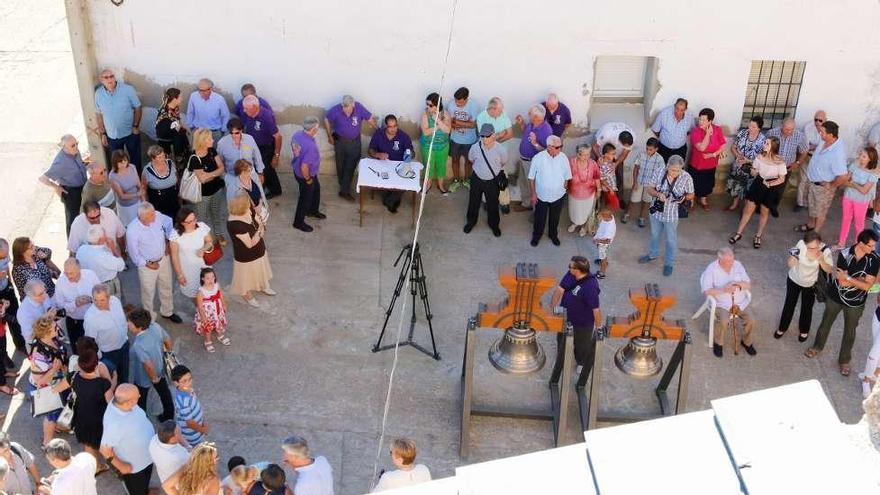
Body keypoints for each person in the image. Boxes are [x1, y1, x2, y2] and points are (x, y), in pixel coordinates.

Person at [805, 229, 880, 376]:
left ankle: (844, 360)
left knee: (850, 331)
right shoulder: (845, 253)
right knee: (825, 323)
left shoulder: (874, 259)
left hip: (856, 303)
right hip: (836, 296)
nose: (873, 249)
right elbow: (841, 281)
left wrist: (850, 279)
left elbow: (868, 286)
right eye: (870, 246)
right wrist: (860, 280)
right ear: (861, 243)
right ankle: (817, 347)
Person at [638, 156, 694, 277]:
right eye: (672, 170)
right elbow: (649, 188)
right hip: (656, 211)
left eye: (678, 170)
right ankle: (653, 254)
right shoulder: (659, 171)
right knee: (654, 234)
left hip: (672, 214)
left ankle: (669, 263)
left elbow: (691, 195)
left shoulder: (686, 177)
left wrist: (683, 198)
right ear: (667, 166)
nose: (675, 173)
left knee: (670, 239)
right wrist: (658, 194)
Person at [728, 137, 788, 249]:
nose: (764, 145)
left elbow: (782, 179)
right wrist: (752, 170)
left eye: (767, 143)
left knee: (764, 213)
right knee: (747, 211)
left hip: (770, 188)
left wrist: (770, 184)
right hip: (758, 185)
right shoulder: (760, 157)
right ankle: (738, 233)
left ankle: (758, 236)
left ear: (773, 147)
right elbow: (754, 172)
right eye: (765, 143)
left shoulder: (780, 162)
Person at [127, 202, 182, 323]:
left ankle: (167, 311)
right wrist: (147, 263)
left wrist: (168, 240)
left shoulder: (156, 215)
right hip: (147, 265)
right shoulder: (132, 230)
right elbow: (133, 253)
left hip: (163, 259)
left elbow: (168, 222)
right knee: (148, 292)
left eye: (153, 214)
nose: (154, 217)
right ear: (142, 217)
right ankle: (149, 317)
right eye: (150, 216)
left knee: (167, 285)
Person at [776, 231, 833, 342]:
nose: (812, 250)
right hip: (794, 279)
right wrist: (793, 257)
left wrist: (821, 259)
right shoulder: (801, 244)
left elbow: (829, 269)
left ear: (819, 244)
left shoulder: (825, 251)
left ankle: (804, 330)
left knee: (807, 308)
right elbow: (791, 264)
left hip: (811, 284)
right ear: (805, 244)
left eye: (815, 247)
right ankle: (782, 328)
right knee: (789, 304)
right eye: (809, 248)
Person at [700, 248, 756, 358]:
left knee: (752, 320)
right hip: (722, 304)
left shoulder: (738, 265)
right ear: (719, 259)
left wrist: (738, 284)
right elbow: (707, 291)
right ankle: (718, 343)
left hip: (740, 302)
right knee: (724, 321)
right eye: (728, 262)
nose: (731, 264)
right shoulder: (711, 269)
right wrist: (724, 290)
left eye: (732, 260)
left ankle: (746, 342)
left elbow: (748, 284)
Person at [100, 384, 156, 495]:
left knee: (145, 481)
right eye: (137, 396)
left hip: (146, 458)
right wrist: (121, 466)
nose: (140, 395)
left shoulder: (124, 404)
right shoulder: (115, 424)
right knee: (136, 490)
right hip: (135, 467)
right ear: (128, 402)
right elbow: (104, 450)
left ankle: (146, 491)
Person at [550, 256, 601, 375]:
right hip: (566, 318)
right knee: (561, 341)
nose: (568, 268)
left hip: (582, 323)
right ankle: (561, 361)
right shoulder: (570, 274)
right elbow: (559, 290)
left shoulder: (591, 287)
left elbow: (596, 310)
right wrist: (552, 308)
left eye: (571, 266)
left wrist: (599, 328)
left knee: (582, 345)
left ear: (578, 270)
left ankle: (581, 362)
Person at [795, 121, 848, 233]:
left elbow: (843, 176)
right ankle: (810, 225)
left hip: (823, 188)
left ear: (831, 135)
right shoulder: (824, 141)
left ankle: (815, 234)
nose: (820, 134)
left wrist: (831, 185)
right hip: (812, 182)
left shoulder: (837, 153)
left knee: (820, 212)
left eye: (822, 132)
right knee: (812, 207)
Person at [69, 345, 113, 474]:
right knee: (105, 444)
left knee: (88, 443)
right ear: (96, 366)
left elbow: (57, 389)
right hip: (99, 418)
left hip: (81, 416)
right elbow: (110, 402)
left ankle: (96, 467)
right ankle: (116, 468)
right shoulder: (103, 383)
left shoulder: (73, 377)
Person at [324, 95, 376, 201]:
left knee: (350, 165)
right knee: (340, 164)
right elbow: (326, 119)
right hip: (339, 141)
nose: (346, 112)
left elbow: (370, 119)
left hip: (354, 142)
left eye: (348, 109)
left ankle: (344, 190)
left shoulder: (359, 107)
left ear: (353, 104)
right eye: (344, 109)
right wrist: (329, 135)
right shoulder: (336, 109)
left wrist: (378, 130)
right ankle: (343, 184)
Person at [28, 315, 69, 448]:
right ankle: (47, 442)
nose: (57, 327)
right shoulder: (38, 354)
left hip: (57, 382)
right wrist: (54, 369)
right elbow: (39, 381)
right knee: (52, 414)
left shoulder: (53, 339)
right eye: (54, 327)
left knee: (60, 408)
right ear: (46, 332)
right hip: (47, 387)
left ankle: (56, 426)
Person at [128, 308, 175, 422]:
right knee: (164, 393)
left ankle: (142, 419)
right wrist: (168, 354)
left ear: (139, 328)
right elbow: (168, 340)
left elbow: (148, 365)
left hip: (144, 375)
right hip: (160, 367)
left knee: (141, 398)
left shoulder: (139, 345)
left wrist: (154, 378)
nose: (128, 324)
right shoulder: (155, 326)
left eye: (130, 323)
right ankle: (169, 416)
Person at [463, 123, 508, 237]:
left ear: (493, 135)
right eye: (482, 136)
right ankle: (471, 222)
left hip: (493, 181)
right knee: (474, 202)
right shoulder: (475, 147)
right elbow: (471, 159)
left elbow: (503, 161)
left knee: (493, 204)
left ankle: (494, 225)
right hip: (477, 178)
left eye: (487, 136)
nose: (484, 139)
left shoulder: (500, 149)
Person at [39, 135, 88, 235]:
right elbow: (43, 178)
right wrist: (56, 186)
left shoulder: (75, 151)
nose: (76, 147)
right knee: (73, 219)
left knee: (84, 214)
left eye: (77, 143)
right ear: (64, 147)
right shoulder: (60, 162)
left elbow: (78, 164)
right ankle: (73, 246)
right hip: (71, 192)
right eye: (73, 145)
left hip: (83, 187)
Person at [95, 69, 142, 173]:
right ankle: (121, 184)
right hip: (112, 136)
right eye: (106, 77)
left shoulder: (127, 89)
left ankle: (138, 183)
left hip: (130, 133)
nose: (110, 79)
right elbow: (98, 114)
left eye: (112, 76)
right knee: (117, 163)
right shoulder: (98, 94)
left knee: (135, 160)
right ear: (101, 80)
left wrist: (135, 126)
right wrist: (103, 133)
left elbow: (138, 107)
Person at [187, 128, 228, 245]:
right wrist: (216, 173)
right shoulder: (194, 157)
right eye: (210, 138)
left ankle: (218, 234)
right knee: (202, 218)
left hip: (216, 189)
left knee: (216, 212)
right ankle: (204, 239)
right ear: (202, 141)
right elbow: (202, 179)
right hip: (202, 194)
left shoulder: (211, 151)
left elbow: (222, 168)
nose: (212, 140)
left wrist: (210, 174)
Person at [367, 114, 415, 213]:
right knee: (381, 181)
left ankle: (389, 200)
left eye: (395, 126)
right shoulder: (379, 134)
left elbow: (411, 152)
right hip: (382, 165)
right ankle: (392, 199)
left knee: (405, 181)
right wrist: (377, 154)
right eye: (390, 127)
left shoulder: (403, 136)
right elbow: (370, 150)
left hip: (398, 166)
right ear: (385, 126)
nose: (393, 129)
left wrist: (409, 154)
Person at [528, 135, 571, 246]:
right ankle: (537, 236)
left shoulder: (563, 157)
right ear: (549, 147)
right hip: (541, 195)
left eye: (560, 146)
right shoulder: (538, 158)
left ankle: (553, 235)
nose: (560, 149)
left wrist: (565, 186)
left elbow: (567, 174)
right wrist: (533, 194)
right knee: (539, 218)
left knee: (555, 217)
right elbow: (531, 177)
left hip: (558, 195)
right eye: (557, 147)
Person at [83, 284, 129, 383]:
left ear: (109, 297)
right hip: (109, 354)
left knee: (125, 375)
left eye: (102, 300)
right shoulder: (90, 318)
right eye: (95, 300)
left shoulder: (115, 301)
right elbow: (90, 342)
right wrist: (100, 358)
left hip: (124, 345)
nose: (98, 304)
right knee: (111, 380)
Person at [476, 97, 515, 213]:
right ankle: (487, 201)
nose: (502, 112)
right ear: (492, 109)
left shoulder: (503, 115)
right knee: (486, 177)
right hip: (486, 154)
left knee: (502, 177)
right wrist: (499, 135)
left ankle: (504, 202)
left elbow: (510, 134)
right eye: (500, 110)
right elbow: (485, 139)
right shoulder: (481, 117)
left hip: (501, 154)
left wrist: (495, 139)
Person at [240, 95, 284, 199]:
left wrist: (276, 156)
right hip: (253, 146)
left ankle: (274, 190)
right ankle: (263, 187)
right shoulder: (246, 114)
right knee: (258, 168)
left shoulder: (267, 116)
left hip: (266, 147)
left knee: (265, 168)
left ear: (255, 106)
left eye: (246, 108)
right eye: (244, 108)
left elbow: (278, 137)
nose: (244, 111)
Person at [838, 147, 880, 248]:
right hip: (848, 196)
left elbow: (864, 191)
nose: (860, 158)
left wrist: (852, 184)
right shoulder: (854, 165)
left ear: (870, 159)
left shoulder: (873, 173)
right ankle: (841, 243)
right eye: (861, 155)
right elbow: (845, 180)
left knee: (859, 224)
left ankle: (858, 245)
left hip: (861, 201)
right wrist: (855, 185)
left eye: (864, 156)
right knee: (845, 219)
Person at [54, 258, 100, 351]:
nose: (68, 276)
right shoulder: (60, 283)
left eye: (71, 273)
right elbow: (60, 306)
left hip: (94, 319)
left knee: (97, 347)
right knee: (78, 351)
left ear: (79, 269)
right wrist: (75, 304)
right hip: (75, 323)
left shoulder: (90, 275)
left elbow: (100, 293)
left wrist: (91, 300)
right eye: (66, 273)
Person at [513, 105, 553, 212]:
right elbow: (525, 131)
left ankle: (536, 213)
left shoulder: (546, 130)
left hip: (532, 163)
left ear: (535, 117)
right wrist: (522, 124)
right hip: (523, 160)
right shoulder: (532, 123)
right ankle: (527, 204)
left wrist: (535, 143)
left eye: (529, 114)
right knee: (523, 183)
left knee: (533, 188)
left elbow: (548, 151)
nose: (528, 115)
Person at [170, 206, 214, 302]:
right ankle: (200, 311)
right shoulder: (175, 234)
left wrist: (203, 249)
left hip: (204, 266)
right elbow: (174, 256)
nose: (194, 223)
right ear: (182, 223)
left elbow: (210, 241)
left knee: (208, 290)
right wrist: (180, 275)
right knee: (195, 294)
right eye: (189, 222)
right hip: (188, 270)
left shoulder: (201, 226)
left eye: (194, 219)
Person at [766, 117, 809, 211]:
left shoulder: (799, 136)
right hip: (772, 165)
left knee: (780, 188)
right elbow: (765, 147)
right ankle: (762, 206)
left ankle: (773, 206)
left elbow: (805, 150)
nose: (789, 131)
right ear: (782, 125)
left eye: (791, 129)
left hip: (787, 167)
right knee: (767, 186)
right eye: (786, 129)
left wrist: (797, 163)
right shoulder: (772, 133)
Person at [687, 108, 726, 211]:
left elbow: (723, 146)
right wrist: (708, 134)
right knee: (693, 183)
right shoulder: (695, 131)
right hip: (697, 164)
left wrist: (712, 155)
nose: (700, 122)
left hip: (711, 164)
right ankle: (691, 201)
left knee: (707, 184)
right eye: (700, 119)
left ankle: (703, 200)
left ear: (710, 121)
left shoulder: (717, 129)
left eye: (704, 120)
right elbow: (702, 148)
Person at [725, 116, 766, 211]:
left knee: (748, 189)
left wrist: (748, 161)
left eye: (753, 127)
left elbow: (763, 158)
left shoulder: (763, 140)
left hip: (752, 169)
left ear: (759, 128)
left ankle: (745, 209)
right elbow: (733, 147)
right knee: (736, 185)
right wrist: (738, 156)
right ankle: (734, 204)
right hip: (738, 165)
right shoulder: (742, 133)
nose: (750, 128)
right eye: (750, 125)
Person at [216, 117, 267, 193]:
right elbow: (219, 162)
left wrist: (260, 173)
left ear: (241, 130)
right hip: (232, 178)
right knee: (236, 203)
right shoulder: (222, 143)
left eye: (236, 133)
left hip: (250, 177)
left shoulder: (249, 139)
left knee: (256, 200)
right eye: (231, 133)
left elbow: (257, 157)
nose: (234, 135)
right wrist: (225, 178)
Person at [291, 117, 324, 232]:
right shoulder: (311, 146)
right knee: (305, 198)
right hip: (305, 175)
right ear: (314, 129)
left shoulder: (297, 135)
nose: (317, 129)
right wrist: (308, 179)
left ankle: (312, 211)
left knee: (316, 189)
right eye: (317, 128)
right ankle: (298, 222)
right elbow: (304, 167)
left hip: (299, 171)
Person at [624, 138, 666, 227]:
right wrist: (634, 182)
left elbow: (661, 174)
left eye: (650, 149)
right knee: (633, 199)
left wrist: (656, 187)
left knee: (646, 201)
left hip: (650, 185)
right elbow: (636, 168)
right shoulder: (641, 155)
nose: (648, 151)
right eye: (647, 148)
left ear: (656, 149)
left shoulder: (660, 159)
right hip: (639, 182)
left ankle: (642, 217)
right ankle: (627, 214)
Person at [75, 225, 126, 298]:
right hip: (107, 286)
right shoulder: (102, 256)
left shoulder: (81, 249)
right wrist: (113, 248)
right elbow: (121, 265)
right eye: (105, 235)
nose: (106, 236)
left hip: (89, 286)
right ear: (100, 240)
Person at [590, 121, 635, 202]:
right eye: (625, 146)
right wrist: (601, 158)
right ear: (619, 141)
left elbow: (625, 153)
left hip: (615, 157)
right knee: (599, 178)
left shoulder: (632, 136)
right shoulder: (607, 134)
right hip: (602, 155)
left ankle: (619, 199)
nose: (626, 147)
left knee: (619, 178)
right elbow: (594, 147)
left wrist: (616, 164)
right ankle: (599, 200)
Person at [420, 92, 453, 195]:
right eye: (427, 104)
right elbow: (425, 132)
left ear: (437, 105)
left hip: (442, 147)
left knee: (441, 166)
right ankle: (428, 185)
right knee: (428, 166)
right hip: (427, 146)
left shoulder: (445, 114)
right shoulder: (425, 115)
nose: (428, 107)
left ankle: (441, 185)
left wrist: (438, 120)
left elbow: (448, 130)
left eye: (430, 105)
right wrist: (438, 126)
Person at [448, 87, 479, 192]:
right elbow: (450, 122)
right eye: (456, 101)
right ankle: (456, 180)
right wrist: (466, 123)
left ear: (466, 99)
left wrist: (458, 122)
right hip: (455, 139)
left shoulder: (473, 105)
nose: (457, 104)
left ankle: (467, 180)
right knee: (455, 160)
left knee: (469, 161)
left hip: (469, 140)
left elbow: (473, 125)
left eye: (460, 102)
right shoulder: (451, 104)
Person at [566, 144, 601, 237]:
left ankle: (584, 227)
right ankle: (575, 223)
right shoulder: (571, 162)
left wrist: (599, 190)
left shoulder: (593, 163)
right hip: (574, 193)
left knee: (587, 211)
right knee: (575, 210)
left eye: (588, 154)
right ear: (578, 154)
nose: (587, 157)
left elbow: (597, 177)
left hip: (589, 193)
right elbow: (566, 175)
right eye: (584, 155)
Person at [171, 365, 208, 447]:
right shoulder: (184, 402)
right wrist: (203, 430)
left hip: (198, 429)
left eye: (190, 379)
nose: (188, 383)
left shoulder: (188, 391)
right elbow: (190, 423)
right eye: (184, 381)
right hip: (193, 436)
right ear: (176, 383)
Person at [194, 267, 230, 353]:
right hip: (208, 313)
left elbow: (220, 295)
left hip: (217, 309)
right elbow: (200, 306)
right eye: (208, 278)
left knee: (219, 322)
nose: (211, 280)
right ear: (202, 279)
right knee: (208, 327)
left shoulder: (216, 285)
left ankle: (220, 335)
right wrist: (203, 317)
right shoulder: (201, 292)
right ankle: (208, 341)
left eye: (213, 277)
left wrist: (224, 304)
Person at [0, 239, 27, 354]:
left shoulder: (5, 254)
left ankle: (20, 344)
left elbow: (7, 268)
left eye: (6, 255)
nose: (6, 257)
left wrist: (10, 283)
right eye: (2, 256)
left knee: (15, 318)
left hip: (7, 289)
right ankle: (3, 355)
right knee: (1, 327)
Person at [149, 421, 191, 493]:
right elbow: (192, 461)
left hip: (164, 476)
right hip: (180, 484)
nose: (181, 433)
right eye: (179, 432)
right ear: (172, 438)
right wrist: (188, 446)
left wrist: (179, 438)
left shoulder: (154, 440)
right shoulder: (179, 455)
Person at [141, 145, 180, 220]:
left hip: (173, 198)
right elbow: (143, 189)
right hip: (158, 202)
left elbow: (177, 177)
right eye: (159, 157)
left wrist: (180, 195)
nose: (163, 158)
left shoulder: (170, 163)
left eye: (163, 155)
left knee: (176, 219)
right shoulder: (147, 170)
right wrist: (146, 205)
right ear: (153, 159)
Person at [651, 98, 695, 163]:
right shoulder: (664, 114)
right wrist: (665, 139)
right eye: (677, 108)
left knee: (678, 170)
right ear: (674, 106)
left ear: (685, 109)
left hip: (680, 150)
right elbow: (655, 130)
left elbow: (690, 131)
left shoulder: (689, 117)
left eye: (682, 110)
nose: (678, 112)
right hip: (664, 149)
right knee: (662, 169)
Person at [186, 78, 230, 143]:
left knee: (215, 152)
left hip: (214, 133)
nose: (201, 93)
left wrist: (223, 130)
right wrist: (191, 126)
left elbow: (226, 115)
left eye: (204, 90)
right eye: (200, 90)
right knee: (197, 153)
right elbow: (190, 112)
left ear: (211, 89)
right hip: (198, 132)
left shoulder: (219, 99)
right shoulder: (193, 96)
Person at [156, 87, 191, 168]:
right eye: (181, 97)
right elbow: (162, 132)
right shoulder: (164, 112)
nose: (182, 99)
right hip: (167, 147)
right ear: (175, 99)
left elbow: (176, 122)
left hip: (178, 144)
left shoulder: (175, 109)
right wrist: (176, 127)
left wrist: (182, 127)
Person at [108, 149, 143, 226]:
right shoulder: (112, 176)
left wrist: (143, 200)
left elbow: (138, 184)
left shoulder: (132, 167)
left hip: (138, 201)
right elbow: (122, 196)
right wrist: (138, 194)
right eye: (120, 162)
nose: (124, 163)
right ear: (115, 163)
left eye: (125, 160)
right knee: (130, 225)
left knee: (141, 222)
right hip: (126, 206)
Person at [16, 280, 55, 346]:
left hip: (50, 336)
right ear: (30, 296)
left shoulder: (43, 295)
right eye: (40, 294)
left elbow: (50, 306)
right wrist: (45, 319)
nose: (45, 295)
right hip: (38, 344)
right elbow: (29, 336)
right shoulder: (24, 313)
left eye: (45, 291)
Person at [593, 208, 616, 279]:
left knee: (603, 257)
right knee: (602, 255)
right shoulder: (610, 217)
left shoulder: (609, 229)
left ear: (606, 217)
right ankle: (603, 261)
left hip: (603, 244)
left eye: (601, 217)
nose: (600, 219)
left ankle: (602, 273)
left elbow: (607, 241)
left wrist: (597, 241)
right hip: (600, 240)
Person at [597, 143, 620, 210]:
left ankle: (606, 215)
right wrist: (610, 189)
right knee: (614, 205)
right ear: (606, 155)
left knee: (610, 203)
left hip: (612, 187)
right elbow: (602, 179)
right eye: (613, 154)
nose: (614, 156)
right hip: (608, 189)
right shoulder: (602, 165)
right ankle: (602, 215)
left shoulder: (610, 161)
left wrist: (613, 164)